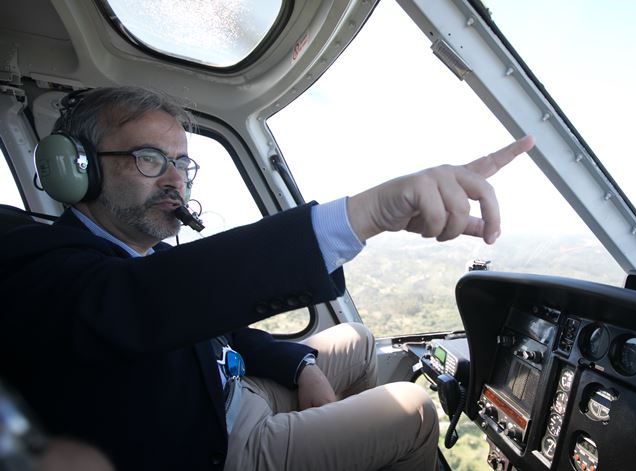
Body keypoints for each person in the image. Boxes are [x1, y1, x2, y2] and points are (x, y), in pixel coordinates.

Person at [0, 86, 534, 471]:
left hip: (225, 393)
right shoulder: (41, 265)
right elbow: (144, 303)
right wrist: (368, 214)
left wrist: (300, 362)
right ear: (79, 168)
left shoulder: (139, 256)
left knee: (357, 340)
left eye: (181, 164)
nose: (174, 181)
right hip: (212, 443)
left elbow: (212, 328)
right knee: (411, 411)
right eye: (149, 159)